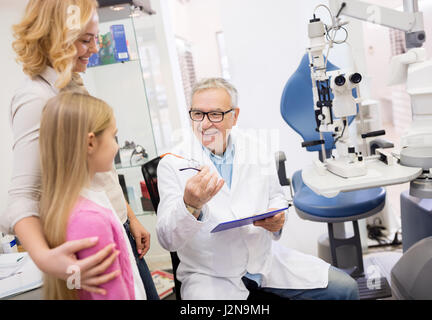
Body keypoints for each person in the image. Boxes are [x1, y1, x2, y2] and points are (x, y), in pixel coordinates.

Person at [1, 0, 158, 299]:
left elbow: (98, 170)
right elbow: (21, 199)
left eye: (95, 38)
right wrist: (46, 259)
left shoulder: (73, 84)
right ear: (54, 37)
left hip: (116, 224)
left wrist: (130, 218)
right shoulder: (36, 99)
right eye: (86, 40)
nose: (96, 48)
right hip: (91, 234)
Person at [156, 78, 359, 300]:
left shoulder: (256, 147)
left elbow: (276, 196)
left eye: (215, 114)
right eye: (197, 114)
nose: (204, 124)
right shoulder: (173, 164)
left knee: (345, 289)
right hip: (210, 276)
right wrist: (190, 205)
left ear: (234, 116)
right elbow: (167, 240)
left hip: (265, 261)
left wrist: (278, 218)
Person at [40, 92, 146, 300]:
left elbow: (76, 284)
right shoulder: (90, 220)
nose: (117, 146)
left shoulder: (72, 205)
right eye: (113, 136)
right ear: (90, 143)